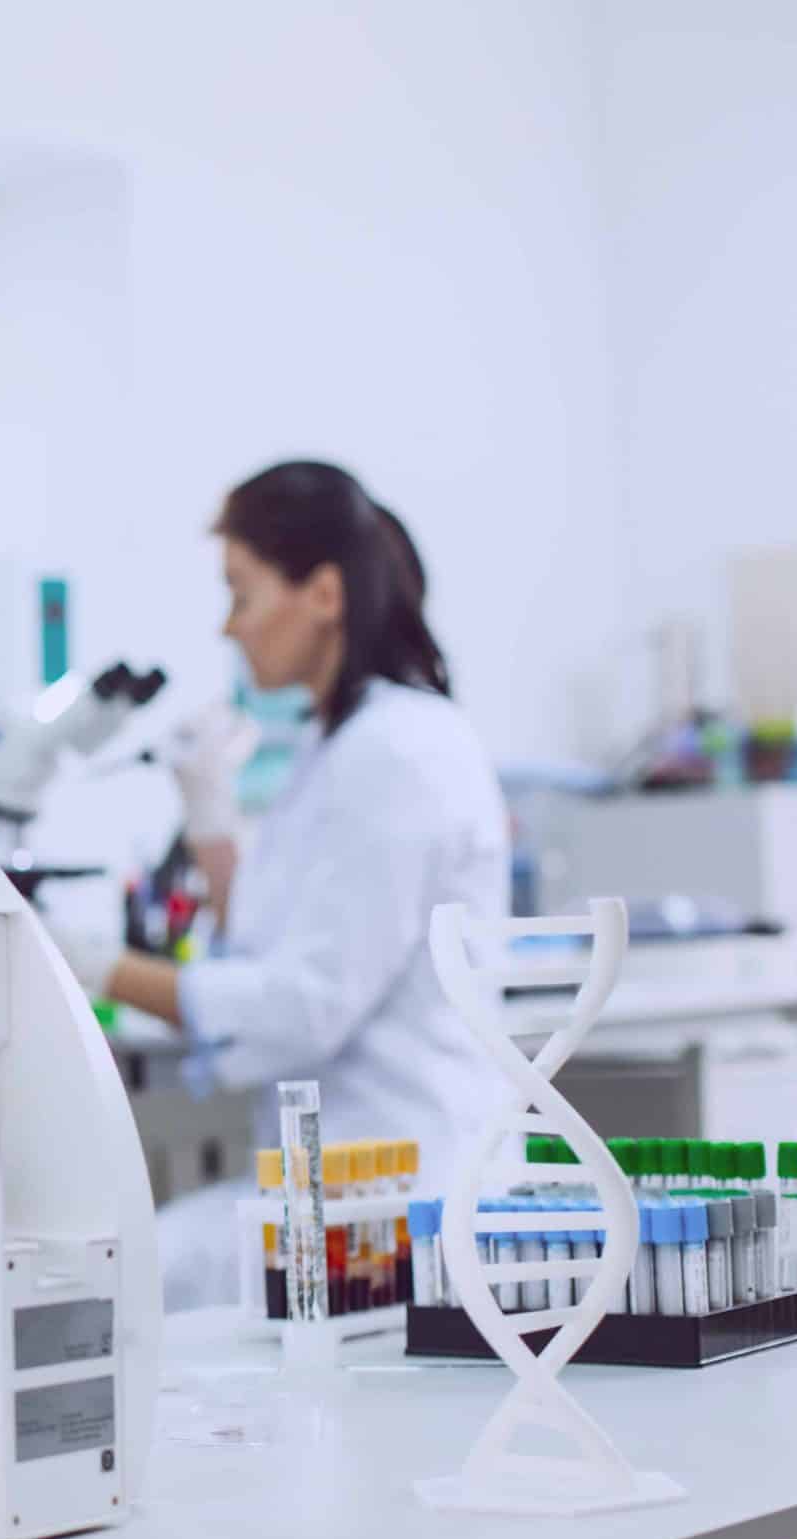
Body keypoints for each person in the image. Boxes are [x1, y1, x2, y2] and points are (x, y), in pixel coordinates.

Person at [47, 462, 508, 1298]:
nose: (230, 627)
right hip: (343, 1181)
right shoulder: (342, 745)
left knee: (114, 1279)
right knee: (132, 1262)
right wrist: (213, 826)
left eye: (243, 594)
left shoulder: (397, 753)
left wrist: (89, 966)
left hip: (398, 1199)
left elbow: (304, 1004)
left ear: (324, 595)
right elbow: (268, 943)